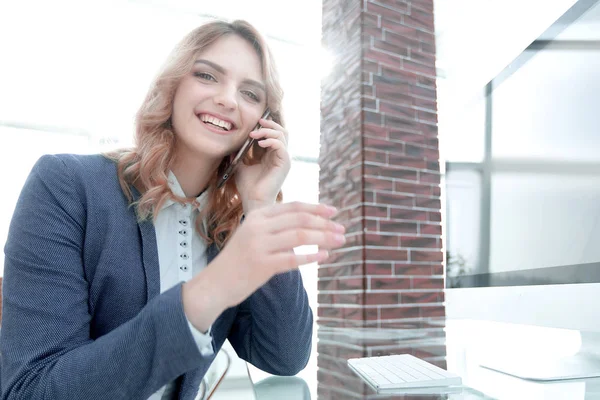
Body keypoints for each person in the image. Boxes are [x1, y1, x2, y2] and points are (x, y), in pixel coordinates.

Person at [0, 19, 346, 399]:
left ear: (262, 124)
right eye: (207, 76)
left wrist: (259, 206)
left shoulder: (230, 229)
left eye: (250, 93)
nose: (228, 100)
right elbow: (31, 389)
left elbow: (284, 355)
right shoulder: (67, 185)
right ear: (174, 84)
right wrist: (208, 292)